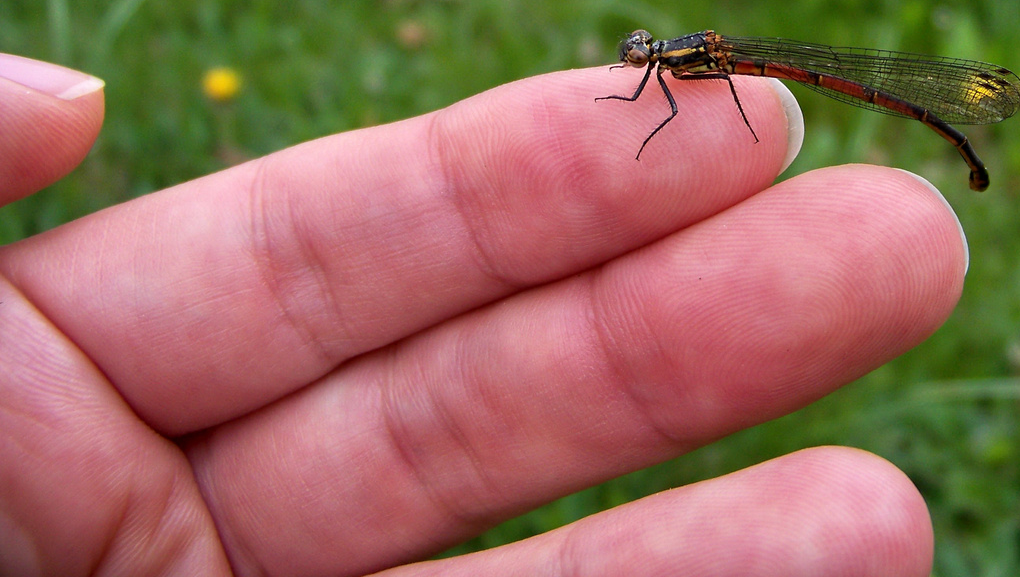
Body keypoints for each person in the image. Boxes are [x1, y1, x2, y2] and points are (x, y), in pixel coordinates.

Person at [0, 50, 966, 576]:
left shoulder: (699, 75)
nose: (642, 64)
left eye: (648, 58)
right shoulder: (669, 67)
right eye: (643, 58)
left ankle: (947, 110)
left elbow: (682, 108)